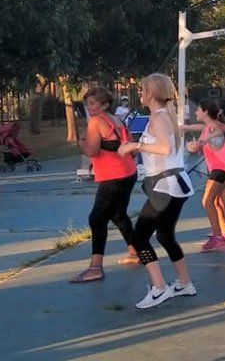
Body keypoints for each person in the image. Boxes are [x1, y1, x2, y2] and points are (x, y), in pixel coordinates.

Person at [117, 73, 196, 309]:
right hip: (173, 186)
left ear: (150, 93)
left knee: (139, 238)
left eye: (142, 90)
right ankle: (184, 283)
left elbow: (164, 147)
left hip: (165, 187)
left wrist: (135, 145)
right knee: (164, 235)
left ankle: (159, 288)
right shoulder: (163, 116)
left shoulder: (159, 118)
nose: (140, 94)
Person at [71, 87, 139, 283]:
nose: (90, 107)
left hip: (112, 176)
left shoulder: (96, 121)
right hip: (128, 172)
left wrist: (81, 143)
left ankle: (95, 267)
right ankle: (136, 252)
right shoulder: (117, 120)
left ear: (105, 104)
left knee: (97, 218)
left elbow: (92, 151)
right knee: (118, 215)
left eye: (93, 103)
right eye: (88, 104)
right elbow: (132, 148)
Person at [185, 98, 225, 251]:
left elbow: (222, 128)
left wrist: (202, 141)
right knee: (215, 201)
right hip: (219, 168)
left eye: (198, 110)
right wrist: (193, 144)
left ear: (205, 112)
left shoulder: (217, 126)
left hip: (222, 169)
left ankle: (218, 236)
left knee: (208, 201)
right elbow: (200, 140)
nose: (195, 112)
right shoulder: (208, 127)